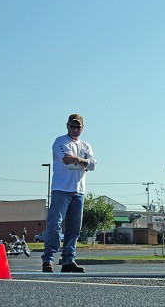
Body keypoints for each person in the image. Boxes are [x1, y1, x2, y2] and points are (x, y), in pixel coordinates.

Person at [41, 114, 97, 273]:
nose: (75, 129)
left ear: (82, 128)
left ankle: (68, 260)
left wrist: (78, 160)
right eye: (73, 126)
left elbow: (93, 164)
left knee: (74, 228)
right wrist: (83, 163)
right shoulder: (60, 141)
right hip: (61, 189)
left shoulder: (86, 145)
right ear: (67, 126)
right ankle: (48, 259)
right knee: (55, 225)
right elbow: (67, 161)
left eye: (78, 126)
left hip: (78, 191)